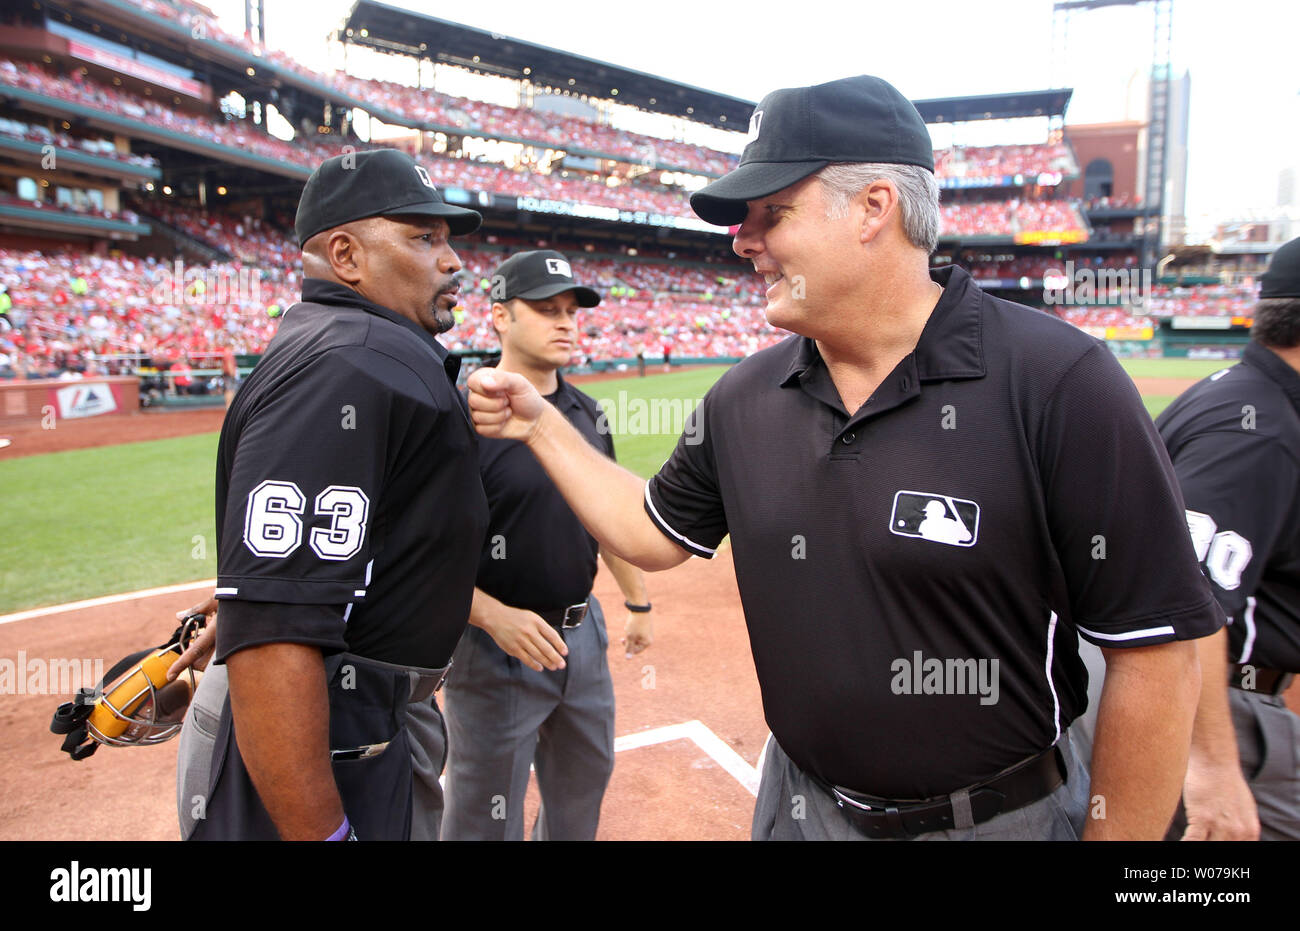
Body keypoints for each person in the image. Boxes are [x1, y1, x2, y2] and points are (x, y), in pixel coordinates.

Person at [468, 75, 1221, 841]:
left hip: (999, 820)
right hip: (798, 810)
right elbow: (651, 531)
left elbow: (1157, 653)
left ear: (873, 208)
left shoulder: (1060, 380)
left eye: (773, 213)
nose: (742, 240)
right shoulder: (744, 397)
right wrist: (539, 426)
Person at [173, 147, 488, 841]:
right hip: (331, 725)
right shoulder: (347, 363)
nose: (453, 259)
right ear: (346, 255)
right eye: (423, 237)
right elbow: (275, 638)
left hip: (364, 710)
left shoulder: (359, 347)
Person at [441, 250, 653, 841]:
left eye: (570, 311)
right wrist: (493, 616)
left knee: (581, 793)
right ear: (501, 318)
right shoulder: (463, 416)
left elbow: (608, 519)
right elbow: (416, 550)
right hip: (493, 648)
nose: (565, 322)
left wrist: (638, 603)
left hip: (583, 637)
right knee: (483, 814)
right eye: (545, 309)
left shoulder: (587, 413)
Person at [1151, 236, 1300, 840]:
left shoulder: (1247, 397)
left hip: (1233, 708)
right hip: (1228, 715)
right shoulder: (1257, 431)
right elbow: (1181, 602)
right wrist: (1210, 765)